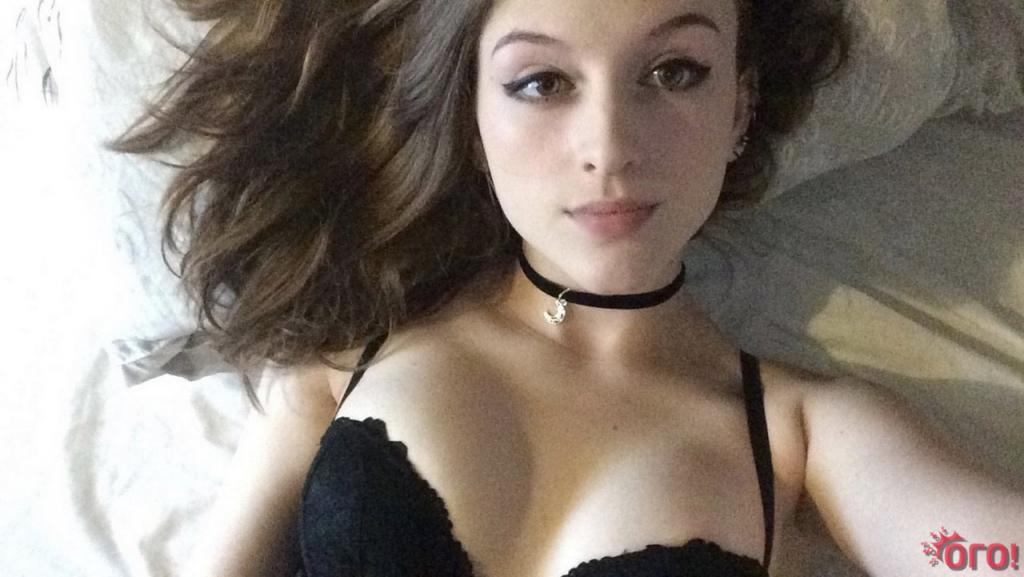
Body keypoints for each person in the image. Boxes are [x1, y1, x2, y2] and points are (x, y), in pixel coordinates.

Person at [111, 0, 1024, 575]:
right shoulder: (340, 360)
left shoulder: (802, 433)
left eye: (674, 72)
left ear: (740, 107)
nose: (610, 146)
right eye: (542, 82)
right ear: (472, 116)